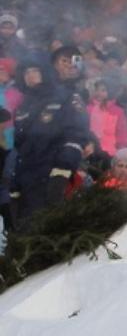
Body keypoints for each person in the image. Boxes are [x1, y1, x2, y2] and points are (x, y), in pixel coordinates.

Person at [5, 61, 91, 225]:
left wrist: (62, 171)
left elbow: (76, 135)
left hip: (53, 172)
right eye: (26, 72)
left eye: (35, 70)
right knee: (26, 230)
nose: (30, 76)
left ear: (46, 72)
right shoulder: (23, 107)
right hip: (27, 178)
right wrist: (15, 184)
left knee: (53, 227)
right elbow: (20, 147)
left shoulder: (66, 97)